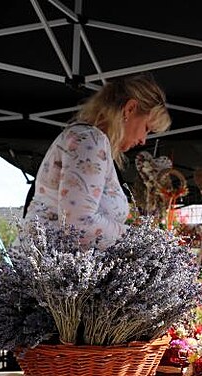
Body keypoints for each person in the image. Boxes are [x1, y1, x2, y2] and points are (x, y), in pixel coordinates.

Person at [23, 73, 171, 249]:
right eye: (146, 128)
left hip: (48, 264)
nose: (143, 140)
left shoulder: (89, 140)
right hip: (47, 267)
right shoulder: (90, 141)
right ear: (130, 109)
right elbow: (79, 224)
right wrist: (143, 241)